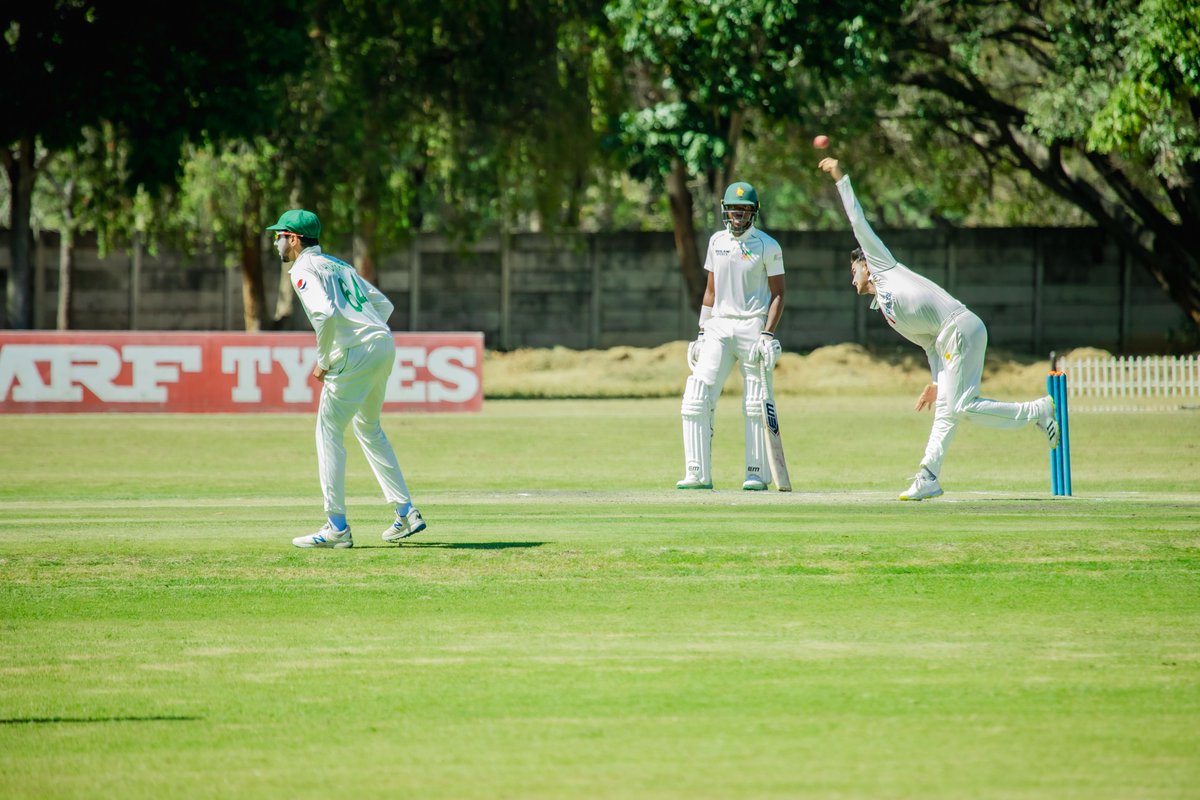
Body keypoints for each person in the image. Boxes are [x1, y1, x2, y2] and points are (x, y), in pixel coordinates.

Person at [817, 156, 1060, 500]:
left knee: (961, 406)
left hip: (960, 326)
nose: (851, 276)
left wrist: (839, 176)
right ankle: (928, 476)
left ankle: (1036, 411)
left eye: (853, 268)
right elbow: (930, 344)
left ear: (866, 266)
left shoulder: (884, 266)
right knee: (947, 410)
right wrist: (936, 381)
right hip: (949, 337)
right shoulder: (887, 311)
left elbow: (857, 220)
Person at [266, 209, 428, 546]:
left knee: (328, 431)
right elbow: (383, 306)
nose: (276, 241)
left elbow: (324, 313)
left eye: (279, 235)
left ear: (294, 240)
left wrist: (325, 361)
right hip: (382, 343)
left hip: (356, 353)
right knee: (368, 428)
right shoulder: (341, 266)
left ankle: (336, 527)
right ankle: (405, 513)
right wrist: (363, 331)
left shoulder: (303, 269)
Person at [677, 181, 786, 491]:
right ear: (726, 211)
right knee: (697, 393)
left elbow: (778, 294)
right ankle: (697, 474)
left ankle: (756, 473)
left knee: (754, 401)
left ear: (753, 213)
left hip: (752, 325)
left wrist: (767, 333)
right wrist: (701, 331)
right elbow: (711, 291)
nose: (738, 215)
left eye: (745, 210)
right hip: (719, 326)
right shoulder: (716, 242)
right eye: (734, 209)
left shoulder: (768, 246)